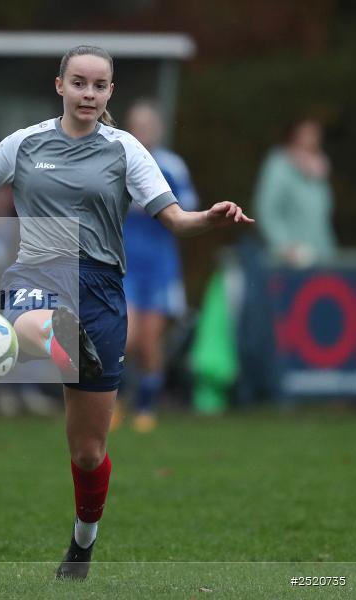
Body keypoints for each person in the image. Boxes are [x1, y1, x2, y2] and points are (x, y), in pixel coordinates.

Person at [0, 45, 253, 580]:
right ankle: (50, 338)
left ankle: (83, 543)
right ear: (60, 85)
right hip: (38, 273)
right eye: (79, 82)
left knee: (89, 452)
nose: (88, 93)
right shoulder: (25, 143)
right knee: (26, 323)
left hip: (101, 290)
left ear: (110, 92)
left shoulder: (125, 150)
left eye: (99, 85)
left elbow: (177, 220)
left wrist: (211, 216)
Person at [121, 100, 200, 432]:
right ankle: (115, 402)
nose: (144, 131)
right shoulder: (117, 160)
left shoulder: (171, 165)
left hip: (159, 267)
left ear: (159, 129)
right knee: (123, 337)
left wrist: (158, 203)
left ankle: (145, 407)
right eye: (137, 125)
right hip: (124, 264)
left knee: (149, 342)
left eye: (149, 125)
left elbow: (189, 205)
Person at [253, 117, 336, 267]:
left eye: (316, 133)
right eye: (307, 133)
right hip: (289, 260)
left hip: (322, 255)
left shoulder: (320, 167)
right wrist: (285, 246)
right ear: (294, 135)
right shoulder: (279, 165)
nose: (313, 138)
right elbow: (266, 210)